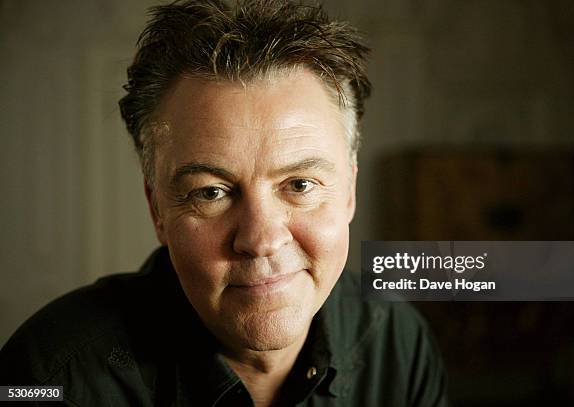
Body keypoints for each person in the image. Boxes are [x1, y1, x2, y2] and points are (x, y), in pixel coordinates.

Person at [0, 1, 449, 405]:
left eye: (300, 184)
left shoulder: (397, 343)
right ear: (158, 210)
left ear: (349, 192)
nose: (261, 240)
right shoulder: (50, 377)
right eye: (211, 192)